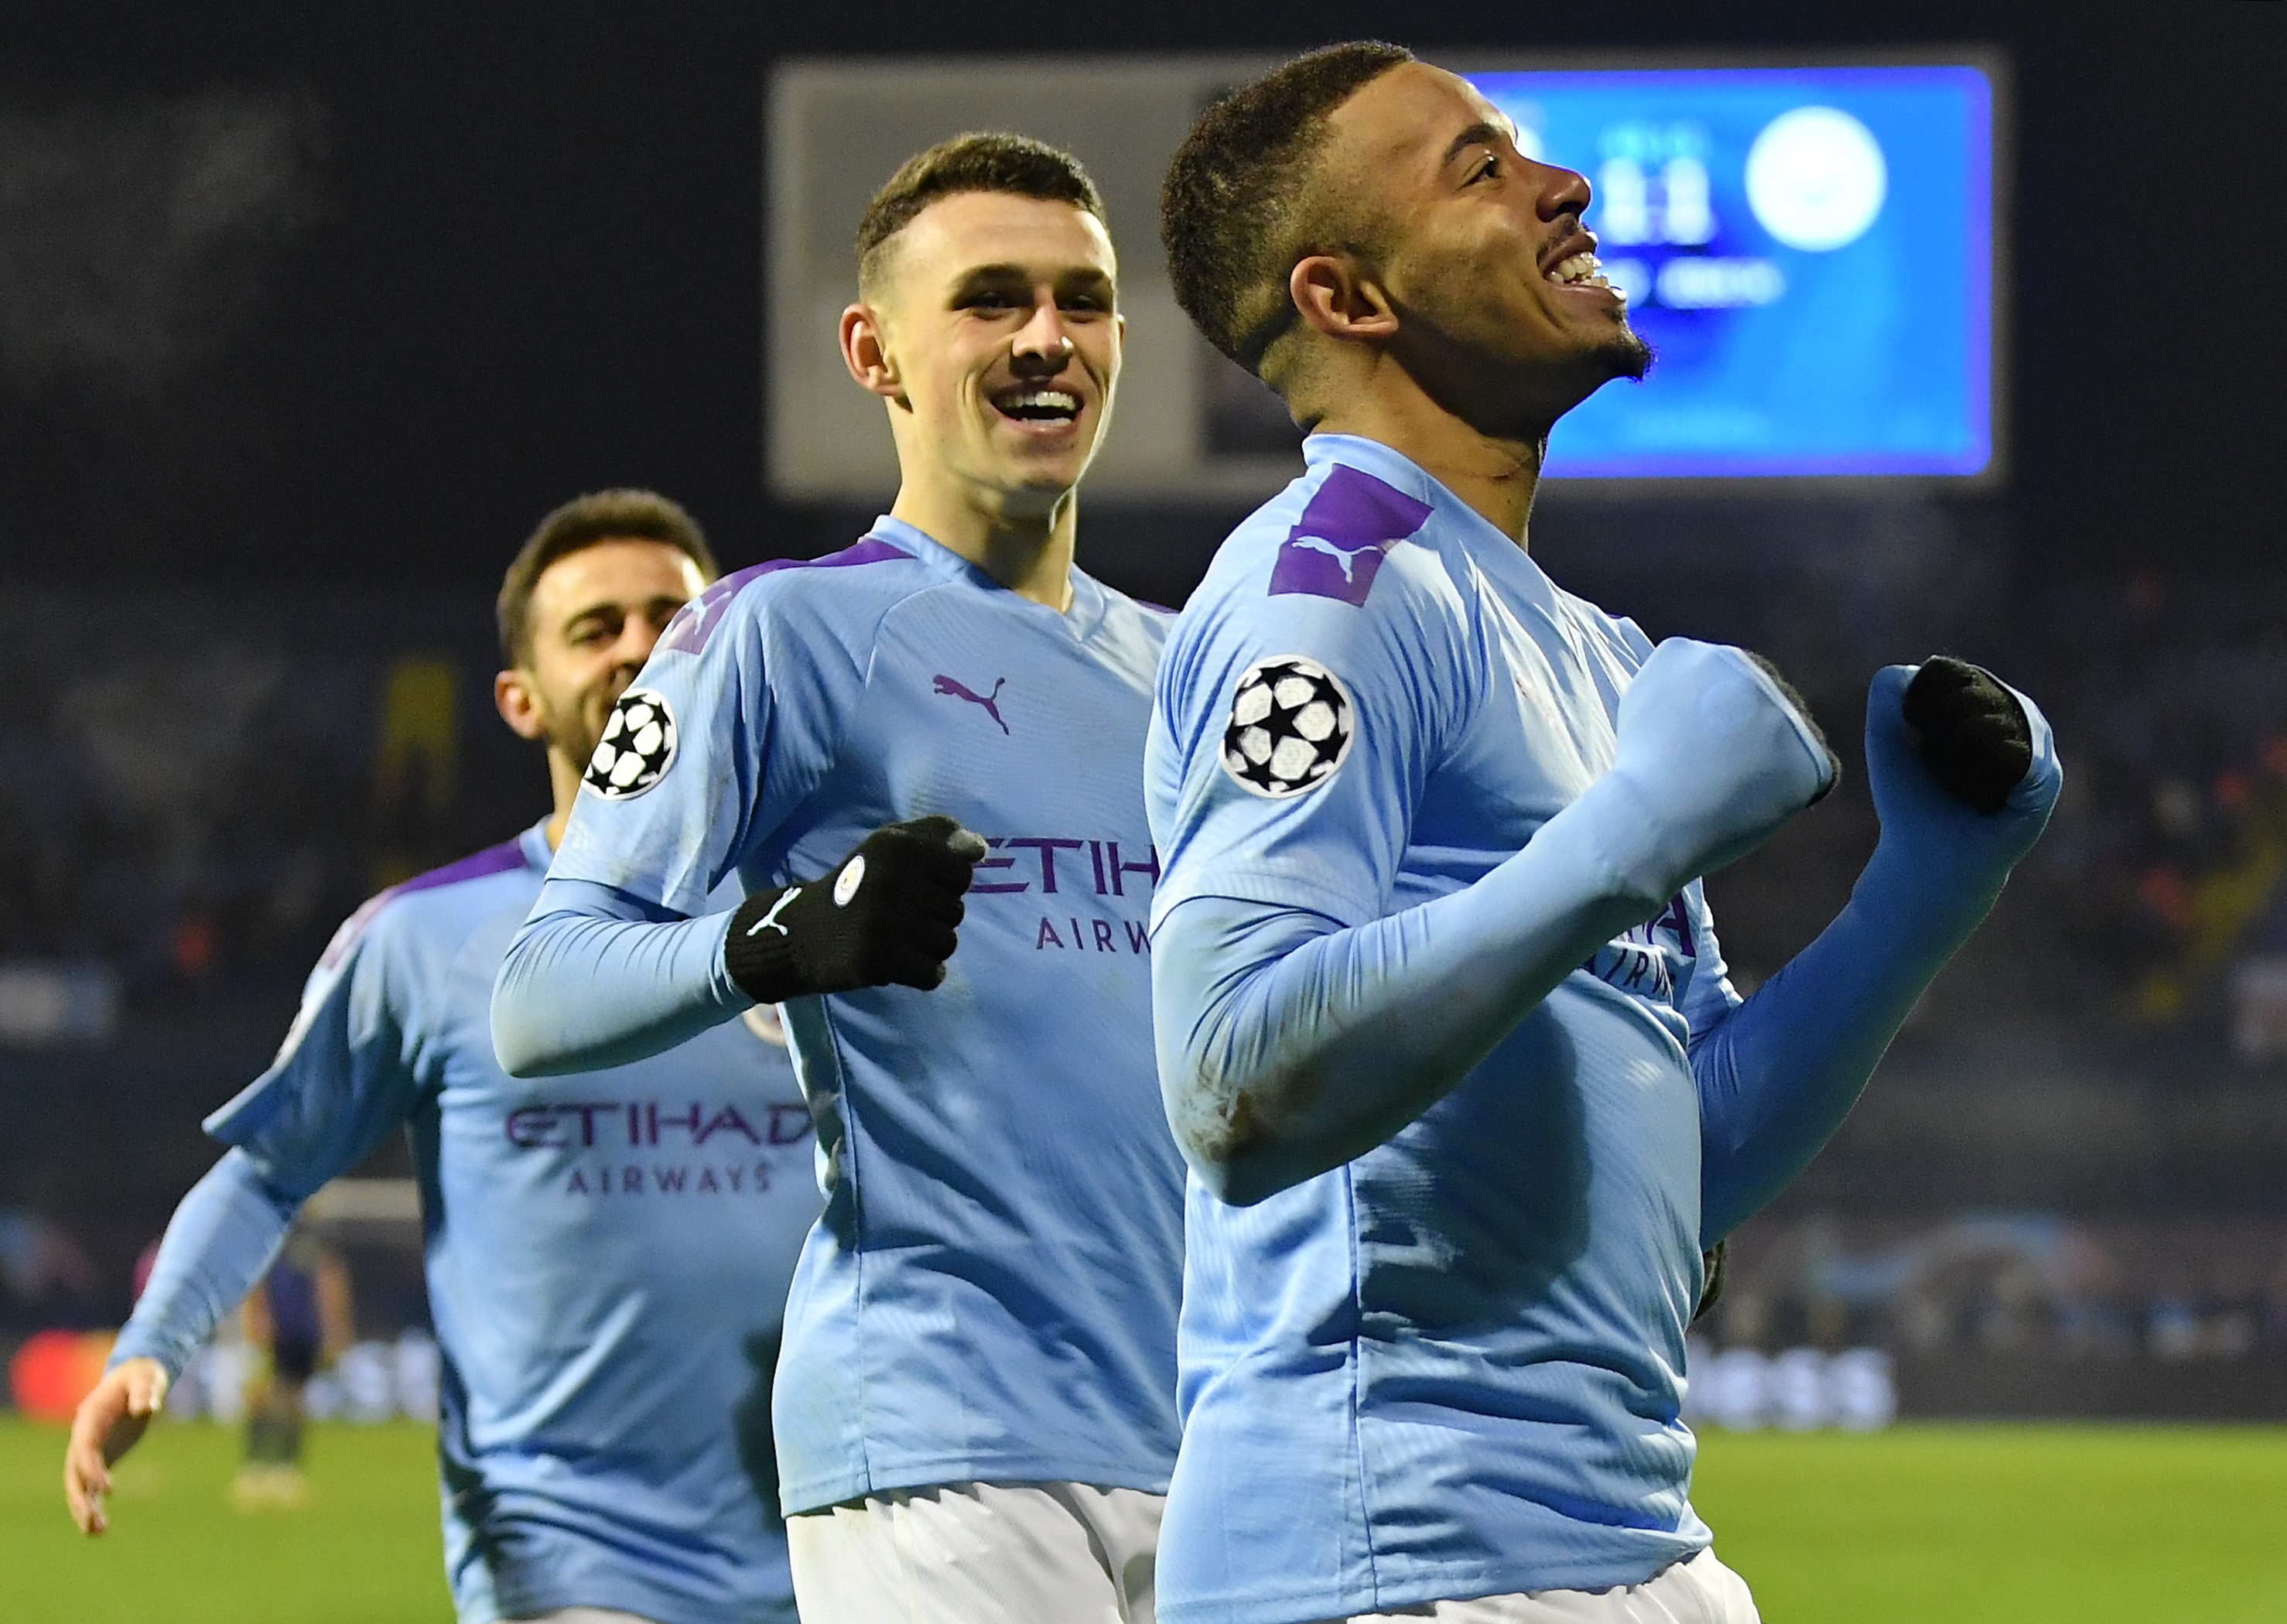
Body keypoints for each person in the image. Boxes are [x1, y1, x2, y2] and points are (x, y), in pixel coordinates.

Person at [1147, 43, 2063, 1624]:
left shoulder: (1590, 647)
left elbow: (1688, 1155)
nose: (1559, 183)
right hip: (1398, 1556)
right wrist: (1622, 837)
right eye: (1475, 171)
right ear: (1346, 297)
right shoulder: (1330, 588)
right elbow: (1229, 1071)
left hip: (1621, 1534)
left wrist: (1919, 889)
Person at [491, 134, 1186, 1624]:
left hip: (1225, 1433)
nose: (1047, 338)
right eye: (991, 300)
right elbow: (537, 995)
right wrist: (775, 944)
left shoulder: (1196, 670)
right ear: (874, 349)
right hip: (946, 1442)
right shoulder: (780, 637)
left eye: (1083, 299)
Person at [66, 491, 822, 1624]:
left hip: (835, 1541)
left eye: (670, 617)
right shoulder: (426, 938)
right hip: (565, 1559)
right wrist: (156, 1340)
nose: (637, 645)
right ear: (519, 700)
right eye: (594, 626)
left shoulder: (823, 922)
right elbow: (271, 1164)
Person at [228, 1222, 353, 1509]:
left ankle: (286, 1469)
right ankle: (254, 1468)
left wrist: (334, 1324)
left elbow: (331, 1277)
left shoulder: (316, 1236)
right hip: (274, 1328)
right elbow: (256, 1277)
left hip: (304, 1330)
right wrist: (258, 1316)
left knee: (295, 1399)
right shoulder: (270, 1227)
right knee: (260, 1397)